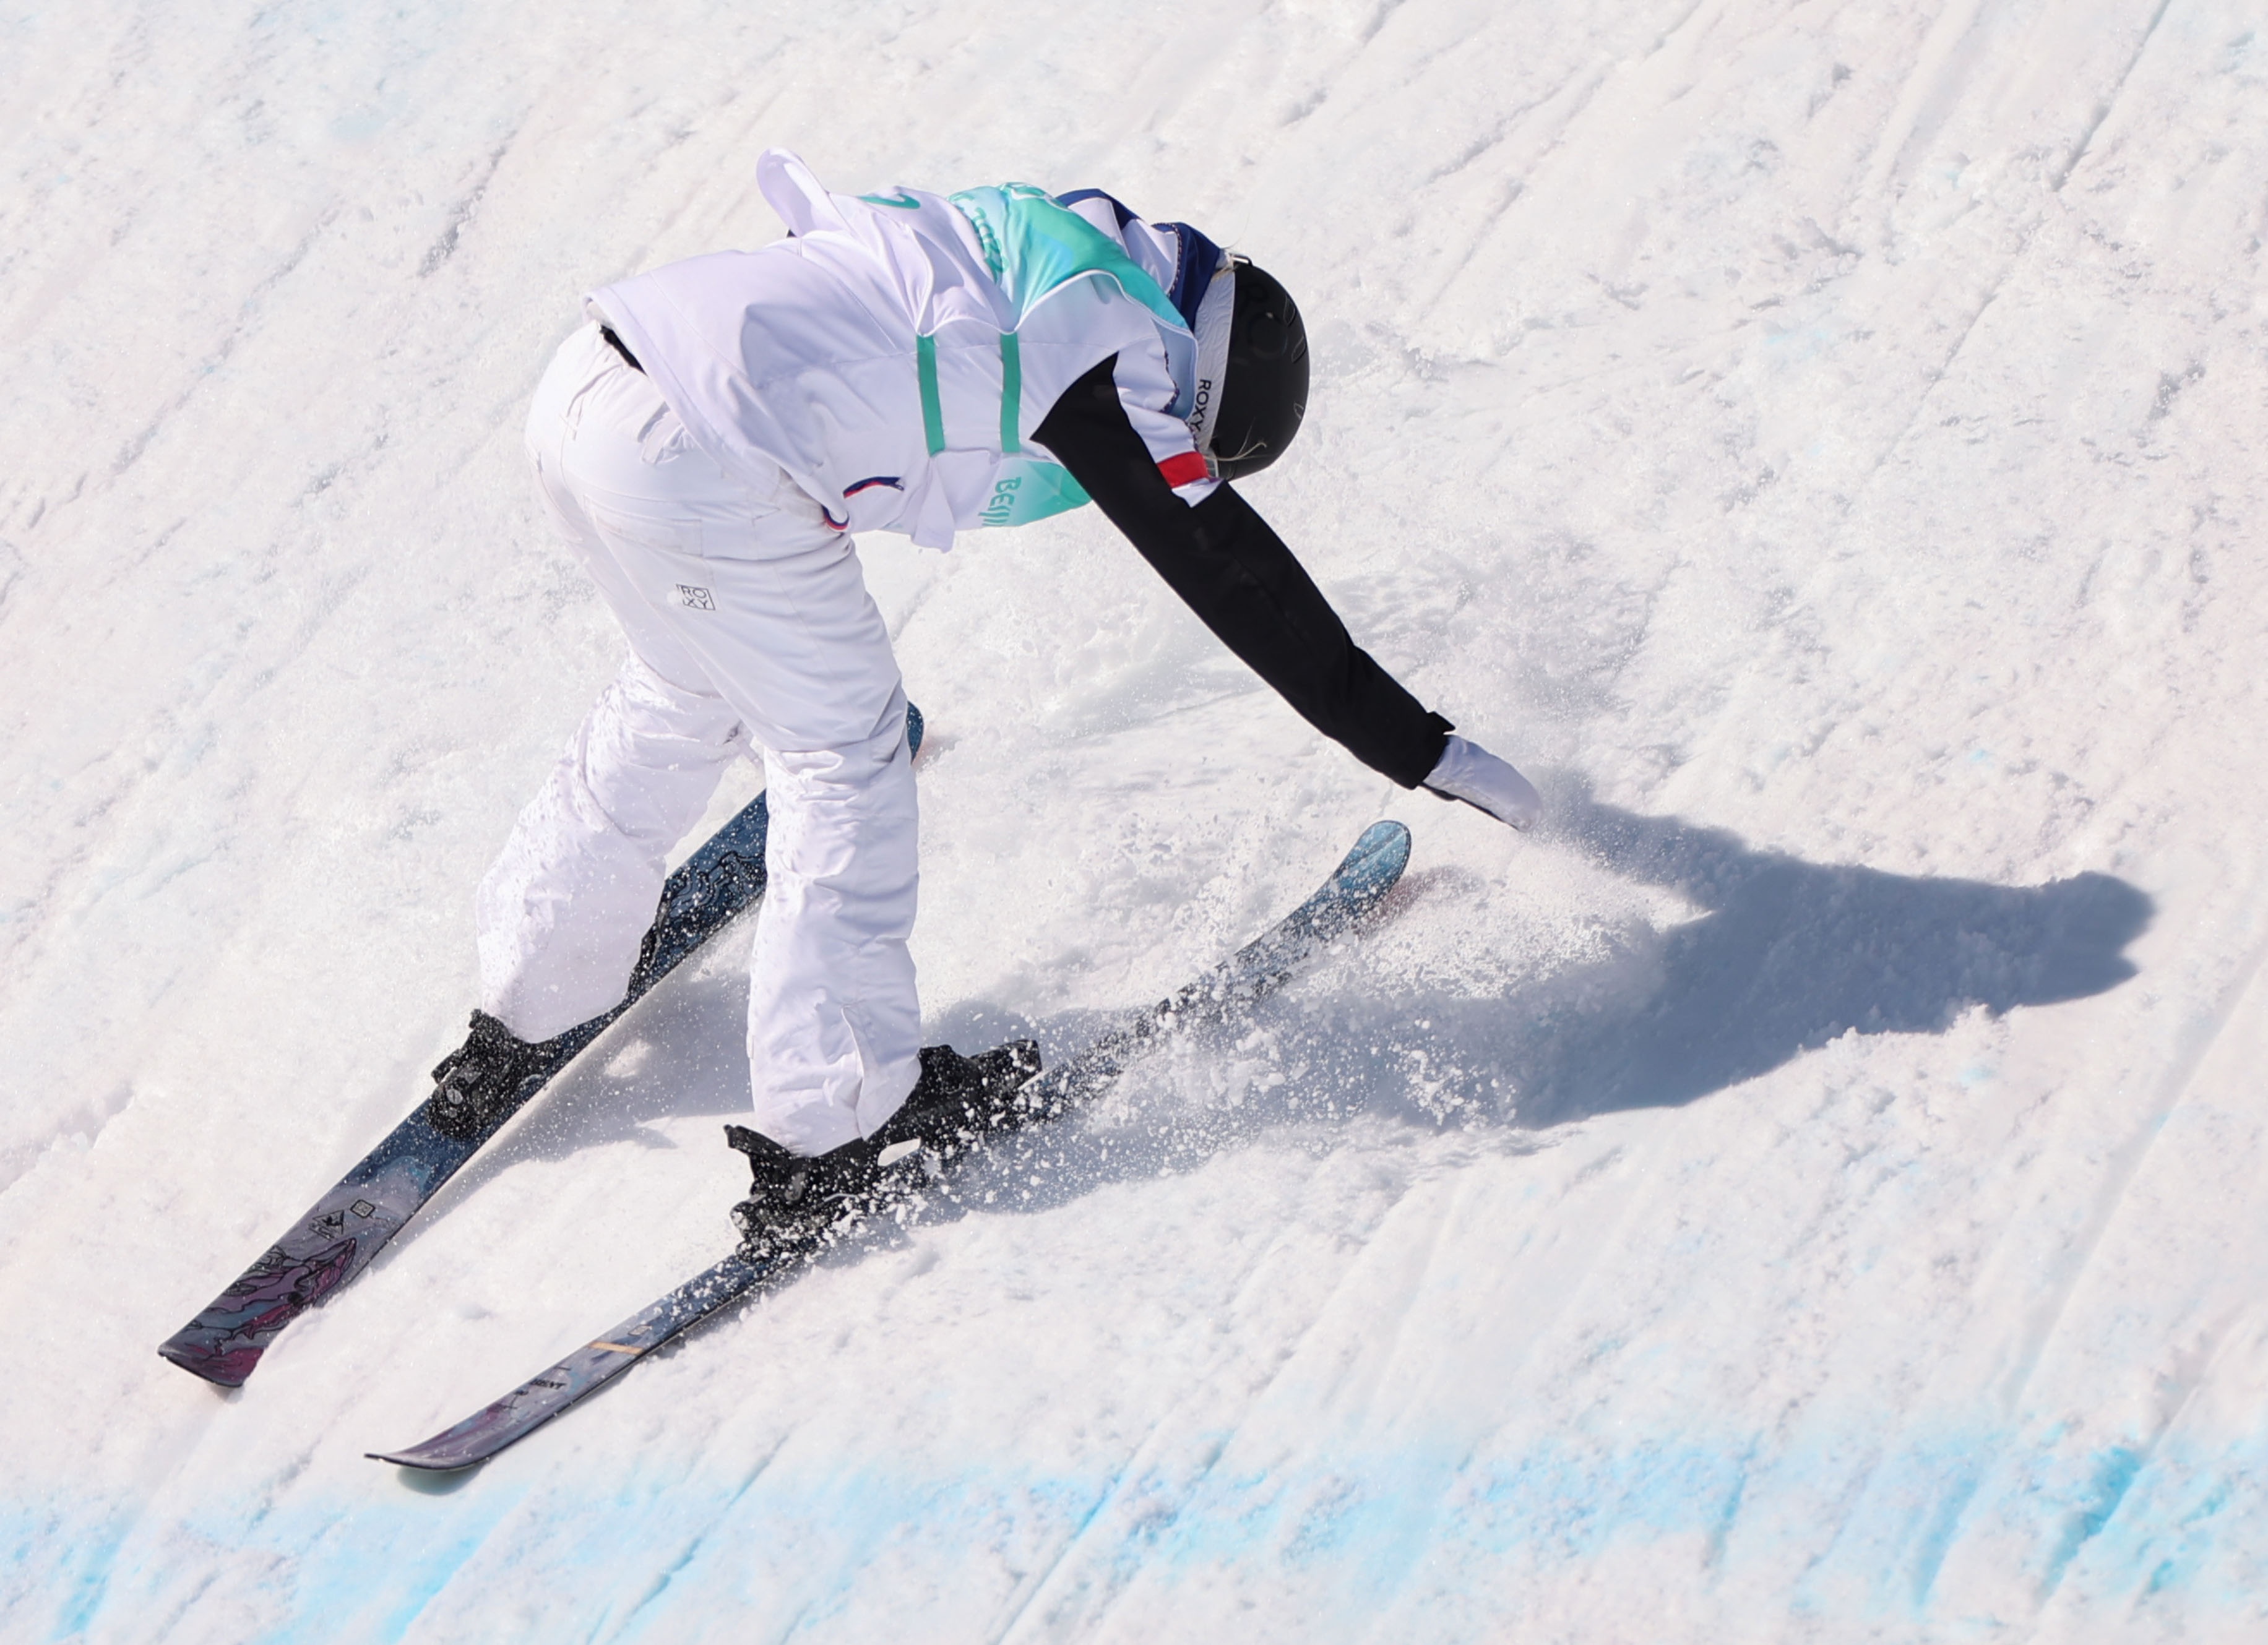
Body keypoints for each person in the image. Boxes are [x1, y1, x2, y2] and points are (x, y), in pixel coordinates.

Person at [426, 151, 1542, 1253]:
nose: (1182, 456)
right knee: (841, 760)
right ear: (1201, 391)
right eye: (1201, 442)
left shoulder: (1051, 241)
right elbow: (1223, 566)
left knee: (681, 686)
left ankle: (533, 994)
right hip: (704, 457)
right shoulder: (1119, 348)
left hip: (587, 389)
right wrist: (1415, 745)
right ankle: (835, 1128)